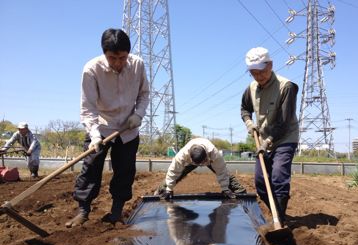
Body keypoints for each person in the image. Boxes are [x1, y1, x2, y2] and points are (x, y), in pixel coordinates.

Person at [65, 28, 150, 228]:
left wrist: (138, 115)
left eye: (122, 58)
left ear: (128, 54)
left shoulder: (137, 65)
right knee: (91, 168)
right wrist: (94, 136)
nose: (118, 63)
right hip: (101, 128)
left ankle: (116, 212)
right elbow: (87, 108)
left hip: (128, 129)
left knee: (125, 170)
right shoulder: (91, 70)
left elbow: (144, 94)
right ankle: (83, 211)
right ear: (104, 53)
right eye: (112, 58)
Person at [240, 47, 299, 224]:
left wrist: (268, 142)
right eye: (254, 73)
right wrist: (249, 123)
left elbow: (284, 121)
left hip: (284, 137)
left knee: (279, 176)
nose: (259, 76)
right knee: (260, 183)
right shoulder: (251, 88)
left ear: (270, 65)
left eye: (262, 71)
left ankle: (279, 219)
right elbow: (244, 109)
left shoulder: (286, 87)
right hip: (263, 140)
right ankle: (277, 213)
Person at [154, 137, 246, 200]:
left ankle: (240, 191)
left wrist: (225, 188)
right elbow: (173, 171)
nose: (201, 165)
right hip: (190, 161)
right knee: (178, 174)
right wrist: (169, 189)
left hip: (209, 159)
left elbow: (221, 171)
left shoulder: (214, 154)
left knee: (225, 173)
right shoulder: (182, 155)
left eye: (202, 163)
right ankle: (160, 191)